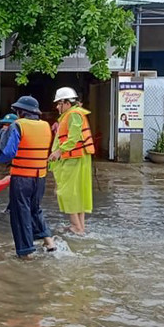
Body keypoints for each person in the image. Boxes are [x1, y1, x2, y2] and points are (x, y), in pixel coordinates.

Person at [0, 96, 56, 257]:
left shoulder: (17, 125)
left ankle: (25, 252)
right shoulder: (46, 126)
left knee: (20, 213)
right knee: (35, 210)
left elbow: (9, 152)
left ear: (21, 112)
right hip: (40, 176)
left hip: (21, 177)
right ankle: (49, 243)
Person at [48, 87, 94, 235]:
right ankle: (80, 227)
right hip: (77, 157)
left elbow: (74, 138)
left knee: (67, 192)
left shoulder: (74, 115)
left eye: (58, 103)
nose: (56, 107)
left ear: (66, 103)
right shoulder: (74, 114)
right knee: (77, 192)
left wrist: (58, 151)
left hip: (73, 158)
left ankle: (76, 226)